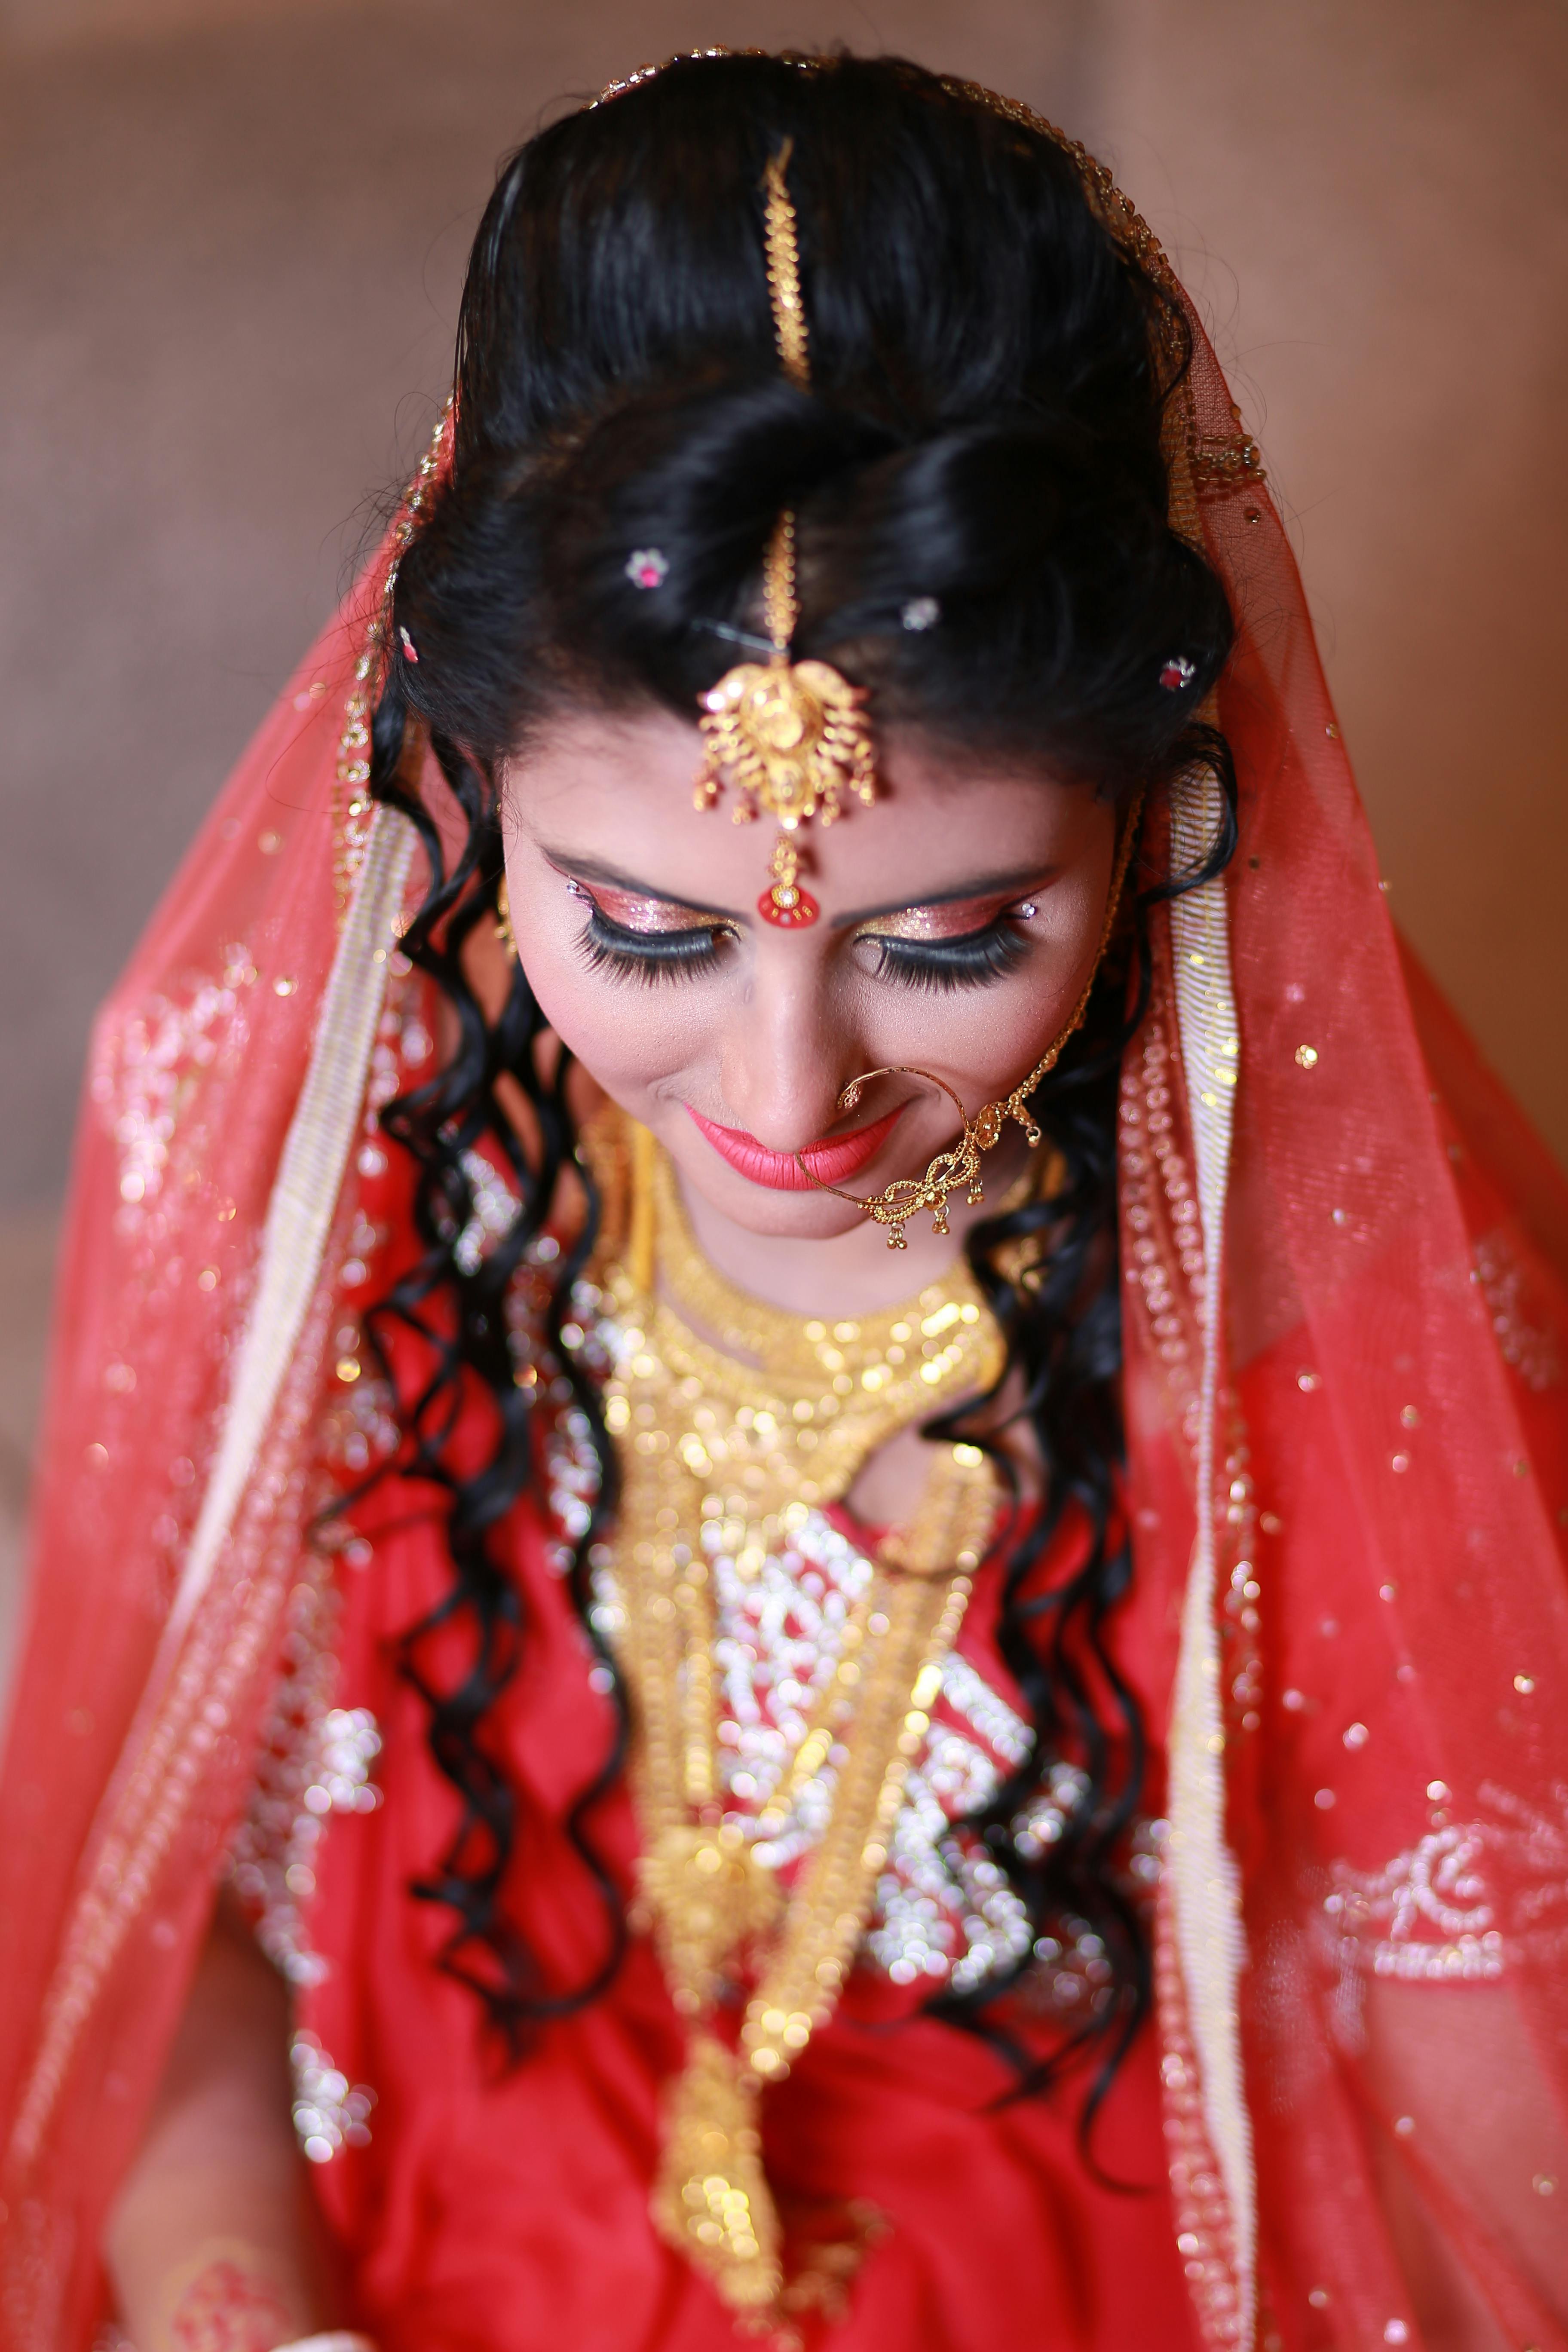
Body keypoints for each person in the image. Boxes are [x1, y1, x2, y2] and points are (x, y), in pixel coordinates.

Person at [1, 48, 1565, 2352]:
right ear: (462, 788)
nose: (789, 1090)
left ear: (1155, 829)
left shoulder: (1326, 1354)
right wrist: (231, 2285)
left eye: (948, 943)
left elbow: (1480, 2158)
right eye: (642, 931)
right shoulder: (349, 1186)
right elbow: (152, 1938)